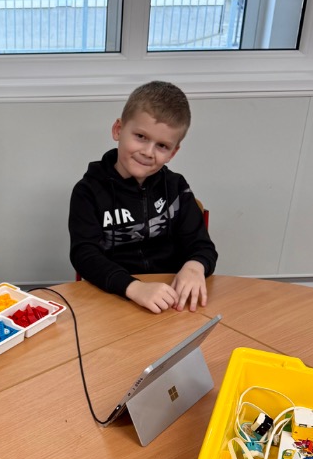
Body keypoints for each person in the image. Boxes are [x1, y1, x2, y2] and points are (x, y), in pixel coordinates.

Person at [69, 81, 217, 314]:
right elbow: (84, 256)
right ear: (118, 130)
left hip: (171, 300)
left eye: (162, 146)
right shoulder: (87, 191)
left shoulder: (176, 187)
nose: (148, 152)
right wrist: (133, 287)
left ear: (173, 152)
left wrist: (195, 266)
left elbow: (202, 246)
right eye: (140, 136)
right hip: (113, 298)